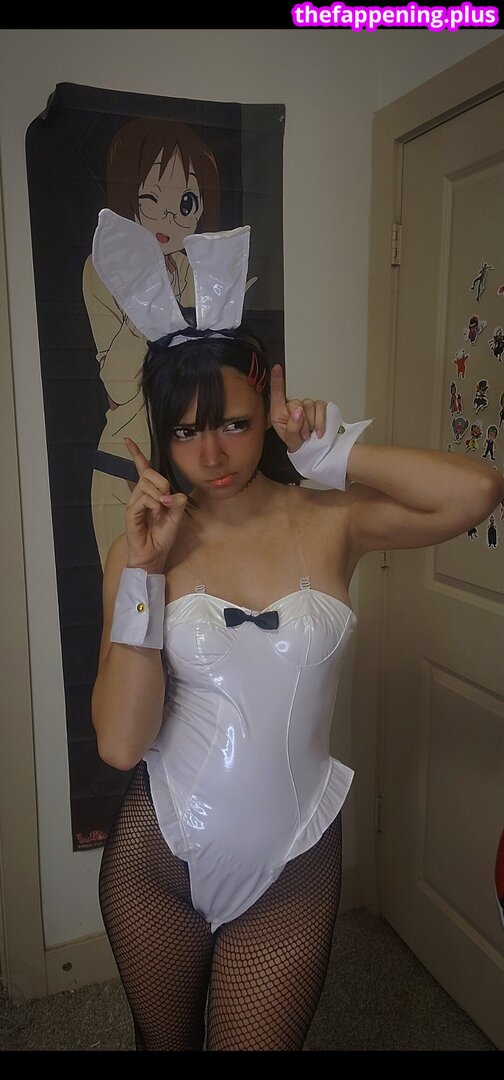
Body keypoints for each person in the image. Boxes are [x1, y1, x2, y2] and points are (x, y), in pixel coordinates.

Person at [91, 218, 504, 1051]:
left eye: (235, 424)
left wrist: (335, 455)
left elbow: (477, 492)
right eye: (186, 431)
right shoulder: (144, 549)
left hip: (294, 864)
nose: (212, 454)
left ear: (269, 412)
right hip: (158, 859)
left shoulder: (331, 518)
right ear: (163, 432)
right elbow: (122, 745)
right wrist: (144, 571)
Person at [82, 119, 221, 565]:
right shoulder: (103, 267)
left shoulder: (200, 271)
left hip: (194, 471)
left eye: (186, 202)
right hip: (124, 464)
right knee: (130, 596)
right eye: (151, 199)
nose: (169, 217)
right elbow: (121, 384)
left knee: (199, 596)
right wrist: (147, 296)